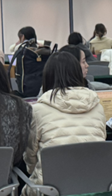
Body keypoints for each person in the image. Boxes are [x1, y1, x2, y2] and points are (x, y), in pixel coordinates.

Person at [25, 52, 107, 186]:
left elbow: (30, 155)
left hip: (50, 190)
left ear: (48, 76)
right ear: (77, 74)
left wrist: (33, 171)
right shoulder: (98, 107)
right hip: (94, 184)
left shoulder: (38, 110)